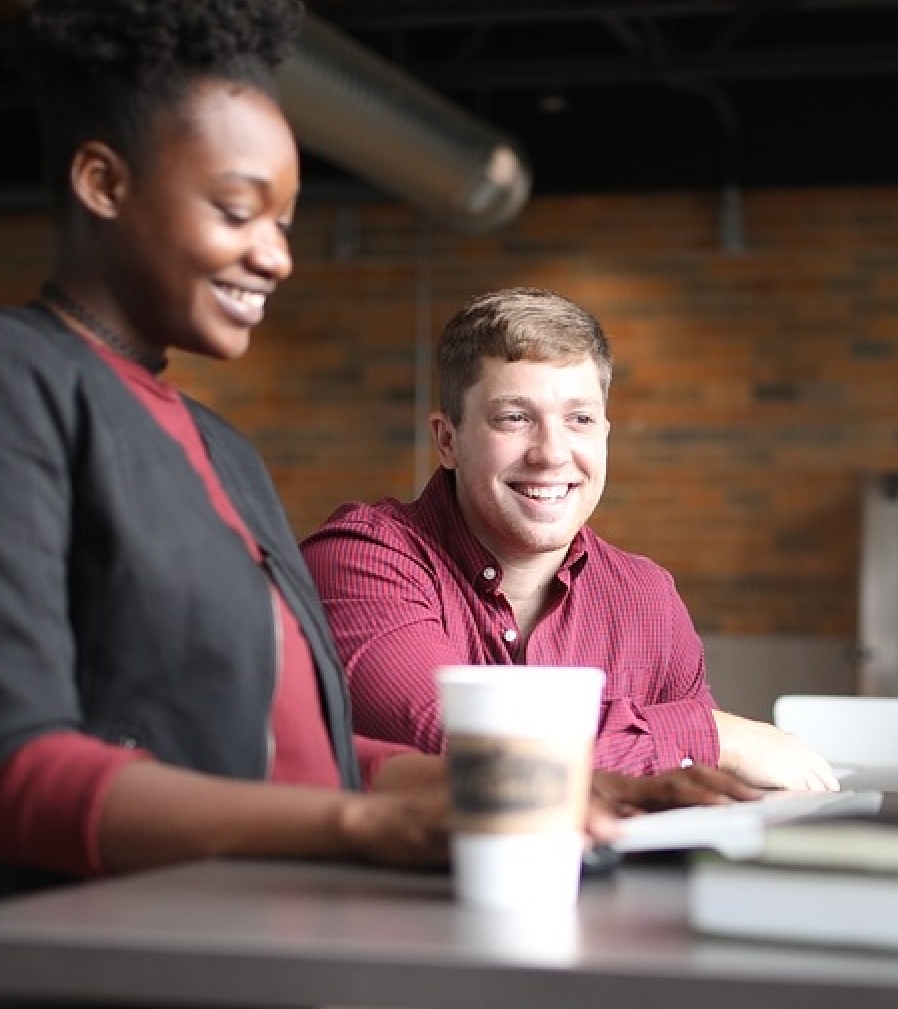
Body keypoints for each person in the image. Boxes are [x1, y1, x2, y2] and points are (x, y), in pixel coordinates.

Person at [0, 0, 750, 952]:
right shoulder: (1, 373)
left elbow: (314, 758)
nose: (277, 254)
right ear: (101, 180)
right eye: (237, 208)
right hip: (94, 962)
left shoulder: (221, 447)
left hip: (248, 949)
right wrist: (361, 825)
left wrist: (568, 790)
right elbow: (15, 776)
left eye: (286, 220)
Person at [302, 288, 840, 792]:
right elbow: (465, 748)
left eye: (579, 419)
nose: (551, 453)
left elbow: (693, 790)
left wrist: (705, 749)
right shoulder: (360, 561)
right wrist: (711, 734)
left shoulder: (646, 598)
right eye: (515, 418)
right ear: (448, 440)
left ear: (605, 433)